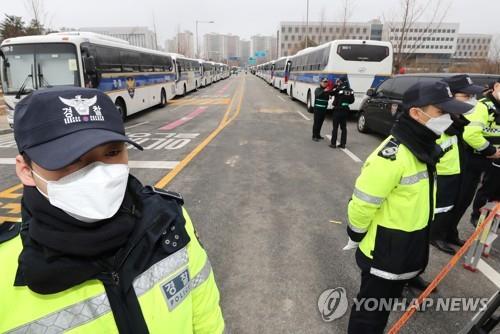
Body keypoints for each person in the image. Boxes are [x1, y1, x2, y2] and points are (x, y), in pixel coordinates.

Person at [0, 87, 225, 333]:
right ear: (25, 170)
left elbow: (207, 318)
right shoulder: (5, 267)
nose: (99, 173)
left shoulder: (168, 221)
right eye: (70, 159)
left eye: (112, 152)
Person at [346, 81, 472, 333]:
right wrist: (356, 235)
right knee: (370, 314)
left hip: (407, 246)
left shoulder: (423, 146)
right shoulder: (393, 155)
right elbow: (362, 204)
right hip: (385, 251)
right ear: (416, 113)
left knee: (385, 303)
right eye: (441, 112)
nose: (448, 118)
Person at [429, 75, 484, 255]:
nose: (472, 101)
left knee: (458, 204)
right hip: (443, 172)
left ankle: (449, 233)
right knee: (442, 207)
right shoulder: (441, 121)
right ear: (450, 96)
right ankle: (436, 235)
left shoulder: (458, 120)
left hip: (458, 169)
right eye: (466, 96)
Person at [452, 78, 500, 228]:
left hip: (495, 157)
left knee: (493, 189)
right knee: (464, 195)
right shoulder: (483, 106)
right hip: (477, 156)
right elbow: (471, 135)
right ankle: (475, 217)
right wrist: (491, 151)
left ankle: (490, 218)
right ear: (497, 86)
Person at [329, 76, 354, 149]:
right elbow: (352, 101)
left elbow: (331, 93)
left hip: (337, 110)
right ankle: (343, 144)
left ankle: (333, 144)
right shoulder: (350, 90)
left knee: (335, 127)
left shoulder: (338, 89)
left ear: (341, 82)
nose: (338, 82)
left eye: (339, 81)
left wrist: (335, 85)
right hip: (345, 110)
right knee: (343, 128)